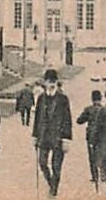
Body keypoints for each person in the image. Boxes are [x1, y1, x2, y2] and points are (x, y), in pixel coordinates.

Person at [30, 68, 72, 197]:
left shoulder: (63, 98)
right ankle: (51, 184)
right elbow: (37, 118)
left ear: (57, 82)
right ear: (45, 82)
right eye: (49, 81)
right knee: (42, 163)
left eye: (53, 81)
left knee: (56, 166)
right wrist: (35, 135)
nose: (51, 83)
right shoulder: (41, 98)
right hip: (43, 136)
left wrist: (67, 138)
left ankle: (54, 189)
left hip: (58, 137)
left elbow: (67, 119)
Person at [75, 89, 104, 188]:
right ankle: (103, 174)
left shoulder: (88, 109)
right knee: (102, 154)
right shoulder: (104, 109)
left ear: (92, 99)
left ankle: (94, 175)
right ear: (101, 98)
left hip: (91, 135)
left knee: (92, 156)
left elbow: (79, 121)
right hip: (102, 136)